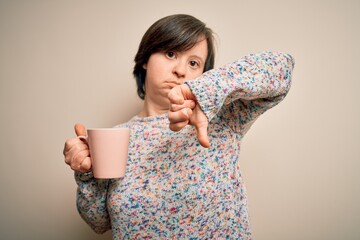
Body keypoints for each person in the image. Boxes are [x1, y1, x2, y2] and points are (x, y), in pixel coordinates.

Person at [63, 14, 294, 239]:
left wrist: (203, 92)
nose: (181, 71)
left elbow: (282, 67)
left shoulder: (223, 118)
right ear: (145, 59)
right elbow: (99, 223)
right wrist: (86, 175)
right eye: (171, 53)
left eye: (194, 63)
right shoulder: (113, 140)